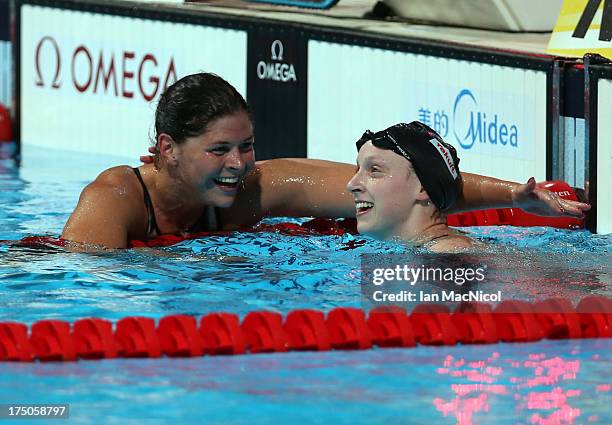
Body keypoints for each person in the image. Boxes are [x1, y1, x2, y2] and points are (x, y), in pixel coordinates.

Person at [62, 72, 590, 249]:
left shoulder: (254, 189)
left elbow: (406, 184)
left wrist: (516, 197)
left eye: (245, 146)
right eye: (218, 150)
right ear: (166, 150)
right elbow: (85, 275)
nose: (238, 163)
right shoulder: (115, 199)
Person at [347, 121, 477, 252]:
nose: (351, 184)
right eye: (358, 169)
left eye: (374, 170)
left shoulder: (447, 252)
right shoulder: (426, 251)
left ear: (423, 187)